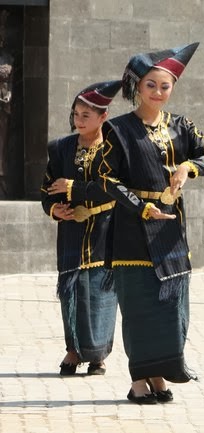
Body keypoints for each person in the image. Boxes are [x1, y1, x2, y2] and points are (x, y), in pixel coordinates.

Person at [97, 42, 204, 404]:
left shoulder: (181, 126)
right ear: (137, 87)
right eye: (151, 85)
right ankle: (140, 378)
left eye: (165, 86)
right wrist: (140, 207)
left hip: (170, 230)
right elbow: (108, 179)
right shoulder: (118, 130)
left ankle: (160, 371)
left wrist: (188, 167)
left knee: (170, 306)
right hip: (132, 228)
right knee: (139, 305)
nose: (158, 92)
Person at [40, 80, 122, 376]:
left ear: (103, 116)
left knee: (101, 292)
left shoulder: (115, 150)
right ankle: (73, 351)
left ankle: (98, 356)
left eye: (86, 116)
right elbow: (46, 189)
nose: (79, 121)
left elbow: (114, 190)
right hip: (71, 232)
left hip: (105, 230)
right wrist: (54, 209)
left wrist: (74, 188)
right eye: (76, 115)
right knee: (71, 291)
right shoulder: (61, 148)